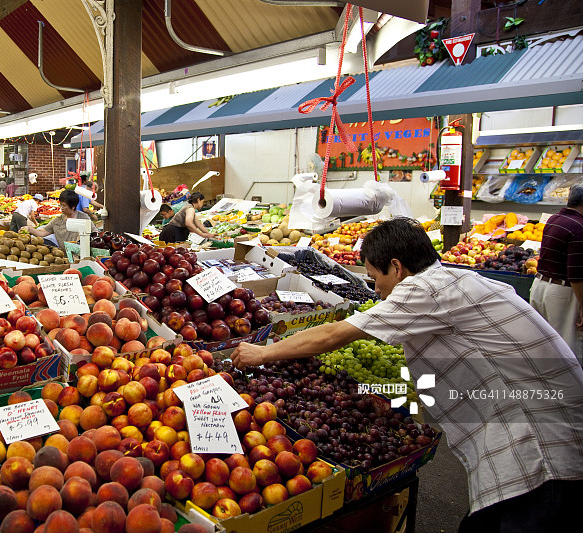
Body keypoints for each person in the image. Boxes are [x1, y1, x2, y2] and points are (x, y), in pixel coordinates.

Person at [232, 218, 583, 533]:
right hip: (549, 422)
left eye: (375, 278)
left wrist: (262, 353)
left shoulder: (424, 290)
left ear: (397, 268)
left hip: (540, 442)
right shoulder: (457, 279)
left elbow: (331, 335)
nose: (375, 290)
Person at [530, 184, 583, 361]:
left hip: (540, 285)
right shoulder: (578, 227)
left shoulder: (554, 219)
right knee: (565, 348)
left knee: (542, 345)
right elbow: (576, 275)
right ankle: (566, 388)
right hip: (562, 293)